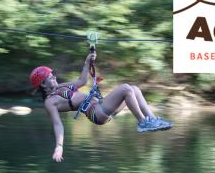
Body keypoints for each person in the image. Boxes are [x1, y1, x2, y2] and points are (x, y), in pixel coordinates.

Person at [30, 52, 172, 162]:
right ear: (43, 84)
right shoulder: (50, 102)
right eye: (50, 76)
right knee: (126, 89)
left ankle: (151, 120)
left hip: (99, 106)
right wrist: (59, 146)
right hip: (96, 112)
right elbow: (58, 125)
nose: (54, 76)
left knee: (133, 89)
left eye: (53, 74)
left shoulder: (61, 86)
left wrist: (87, 62)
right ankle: (142, 122)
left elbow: (82, 81)